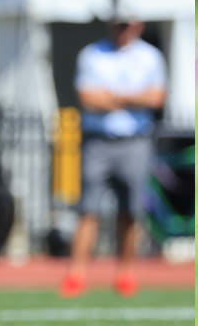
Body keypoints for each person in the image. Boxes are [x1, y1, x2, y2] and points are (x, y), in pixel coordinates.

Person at [59, 17, 166, 299]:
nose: (123, 31)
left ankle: (126, 274)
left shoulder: (150, 56)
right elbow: (88, 98)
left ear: (138, 27)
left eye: (128, 25)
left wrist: (113, 97)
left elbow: (156, 98)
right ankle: (76, 274)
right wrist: (133, 97)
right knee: (87, 210)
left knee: (131, 212)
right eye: (119, 25)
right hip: (98, 141)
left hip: (135, 141)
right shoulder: (93, 54)